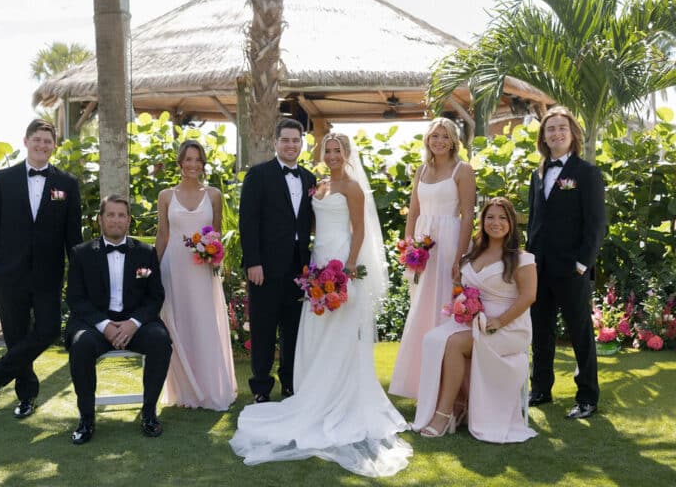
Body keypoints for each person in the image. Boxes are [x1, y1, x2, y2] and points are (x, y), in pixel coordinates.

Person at [230, 133, 412, 477]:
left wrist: (349, 265)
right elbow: (294, 221)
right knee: (314, 329)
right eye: (327, 150)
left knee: (338, 330)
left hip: (340, 261)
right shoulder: (318, 184)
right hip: (314, 263)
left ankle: (337, 395)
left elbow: (359, 230)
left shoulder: (352, 188)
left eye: (337, 150)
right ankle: (305, 390)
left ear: (347, 153)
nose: (331, 155)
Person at [0, 118, 82, 419]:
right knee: (16, 335)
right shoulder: (2, 179)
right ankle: (26, 397)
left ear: (54, 146)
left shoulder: (67, 184)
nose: (42, 145)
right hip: (7, 274)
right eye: (37, 139)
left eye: (47, 141)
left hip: (48, 275)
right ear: (26, 142)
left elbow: (72, 234)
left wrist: (78, 272)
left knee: (49, 329)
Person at [412, 197, 538, 443]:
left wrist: (500, 320)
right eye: (490, 217)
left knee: (454, 344)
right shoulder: (473, 254)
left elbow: (528, 296)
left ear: (511, 223)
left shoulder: (522, 259)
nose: (496, 222)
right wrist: (463, 306)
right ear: (483, 221)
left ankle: (444, 413)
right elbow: (461, 288)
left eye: (502, 218)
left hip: (508, 328)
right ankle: (457, 405)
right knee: (433, 338)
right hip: (472, 322)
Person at [65, 195, 172, 444]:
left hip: (134, 324)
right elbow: (76, 298)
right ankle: (86, 419)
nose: (116, 220)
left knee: (160, 341)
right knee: (81, 345)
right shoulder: (81, 253)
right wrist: (104, 326)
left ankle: (149, 414)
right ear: (100, 219)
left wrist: (133, 323)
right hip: (95, 325)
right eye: (110, 215)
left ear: (129, 220)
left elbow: (155, 297)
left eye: (121, 215)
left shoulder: (146, 253)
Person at [526, 106, 606, 419]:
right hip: (539, 267)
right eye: (550, 129)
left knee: (580, 334)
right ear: (543, 137)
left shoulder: (586, 173)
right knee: (541, 331)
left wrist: (583, 264)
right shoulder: (537, 174)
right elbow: (535, 220)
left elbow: (596, 224)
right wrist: (527, 261)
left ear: (572, 134)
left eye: (562, 128)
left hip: (572, 269)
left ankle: (587, 397)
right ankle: (540, 389)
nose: (556, 133)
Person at [389, 117, 476, 398]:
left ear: (453, 141)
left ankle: (446, 388)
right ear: (428, 139)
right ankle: (420, 384)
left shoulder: (463, 170)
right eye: (434, 136)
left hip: (449, 242)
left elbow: (468, 216)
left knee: (443, 305)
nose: (439, 141)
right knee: (421, 307)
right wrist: (408, 247)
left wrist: (459, 257)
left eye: (445, 136)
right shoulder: (421, 170)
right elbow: (413, 212)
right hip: (422, 247)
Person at [238, 118, 317, 403]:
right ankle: (261, 388)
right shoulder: (258, 175)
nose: (290, 145)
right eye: (285, 140)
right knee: (263, 328)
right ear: (275, 142)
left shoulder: (309, 179)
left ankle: (290, 383)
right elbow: (248, 221)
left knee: (293, 329)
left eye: (295, 140)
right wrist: (253, 262)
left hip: (299, 267)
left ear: (301, 143)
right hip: (265, 267)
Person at [155, 140, 237, 410]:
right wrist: (153, 270)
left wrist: (213, 256)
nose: (193, 165)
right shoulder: (166, 196)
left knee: (204, 324)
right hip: (173, 269)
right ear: (180, 163)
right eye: (188, 159)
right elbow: (163, 235)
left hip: (202, 270)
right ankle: (184, 390)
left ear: (203, 164)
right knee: (177, 324)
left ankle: (210, 387)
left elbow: (215, 234)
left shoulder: (213, 195)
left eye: (198, 160)